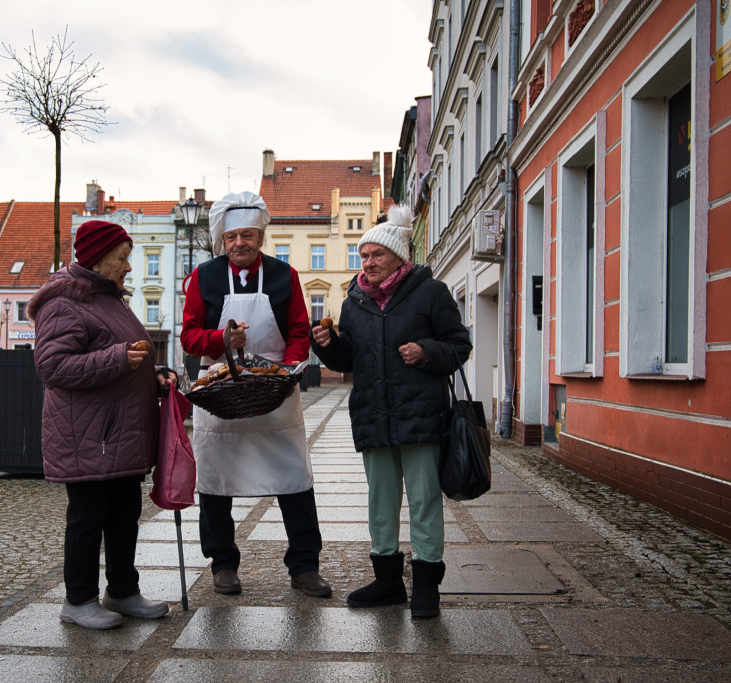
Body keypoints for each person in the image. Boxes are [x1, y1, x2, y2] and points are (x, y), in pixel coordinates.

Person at [311, 206, 471, 618]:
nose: (368, 262)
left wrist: (427, 351)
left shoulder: (430, 292)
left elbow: (459, 344)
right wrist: (327, 344)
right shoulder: (355, 300)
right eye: (363, 256)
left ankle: (426, 587)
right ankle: (386, 581)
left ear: (399, 256)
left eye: (377, 254)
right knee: (380, 501)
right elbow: (348, 358)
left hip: (420, 414)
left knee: (423, 500)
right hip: (372, 413)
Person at [28, 219, 177, 630]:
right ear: (98, 257)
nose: (128, 267)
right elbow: (52, 366)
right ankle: (78, 601)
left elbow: (129, 354)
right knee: (87, 519)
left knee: (124, 515)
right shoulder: (65, 301)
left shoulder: (109, 299)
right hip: (88, 437)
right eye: (123, 258)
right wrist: (116, 360)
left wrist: (156, 372)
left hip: (119, 435)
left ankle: (123, 592)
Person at [181, 191, 330, 598]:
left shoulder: (286, 276)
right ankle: (223, 562)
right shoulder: (203, 278)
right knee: (215, 480)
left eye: (247, 235)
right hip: (221, 392)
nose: (239, 244)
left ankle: (304, 565)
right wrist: (219, 338)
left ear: (260, 236)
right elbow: (190, 336)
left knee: (294, 478)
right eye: (232, 238)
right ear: (222, 240)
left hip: (275, 391)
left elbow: (299, 330)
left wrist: (289, 369)